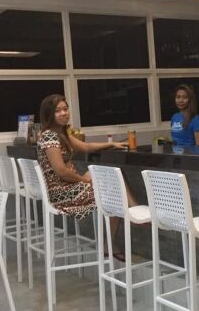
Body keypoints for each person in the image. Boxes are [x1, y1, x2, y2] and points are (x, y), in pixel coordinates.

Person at [37, 94, 130, 258]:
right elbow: (61, 171)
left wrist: (111, 144)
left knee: (113, 177)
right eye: (58, 111)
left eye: (65, 109)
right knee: (115, 193)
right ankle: (113, 239)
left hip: (67, 187)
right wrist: (83, 179)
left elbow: (86, 147)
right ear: (49, 114)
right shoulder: (50, 136)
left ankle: (129, 213)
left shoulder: (60, 133)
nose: (63, 113)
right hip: (62, 193)